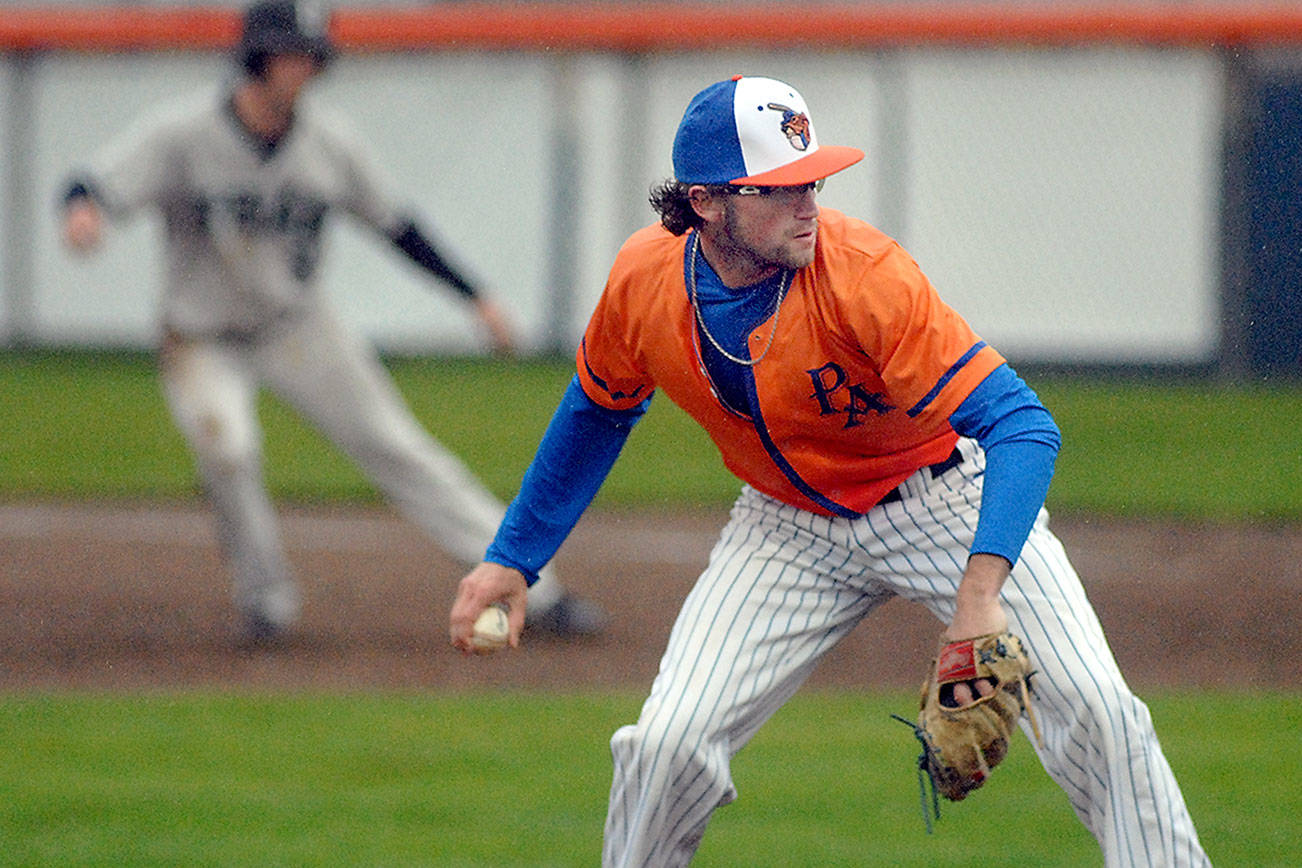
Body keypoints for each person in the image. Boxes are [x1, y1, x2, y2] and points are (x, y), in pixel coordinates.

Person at [449, 75, 1210, 866]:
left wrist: (978, 598)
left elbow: (1023, 426)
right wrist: (514, 557)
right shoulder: (644, 280)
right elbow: (598, 408)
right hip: (786, 529)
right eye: (780, 189)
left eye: (812, 178)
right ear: (706, 202)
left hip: (941, 499)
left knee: (1100, 713)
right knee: (666, 745)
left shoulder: (864, 275)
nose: (808, 201)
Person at [58, 0, 605, 645]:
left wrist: (475, 297)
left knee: (398, 446)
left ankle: (533, 590)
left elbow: (398, 227)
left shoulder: (328, 141)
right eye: (292, 54)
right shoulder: (185, 134)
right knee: (227, 449)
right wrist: (84, 212)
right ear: (257, 57)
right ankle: (266, 604)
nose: (304, 68)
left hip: (297, 327)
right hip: (201, 338)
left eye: (309, 56)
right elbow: (90, 183)